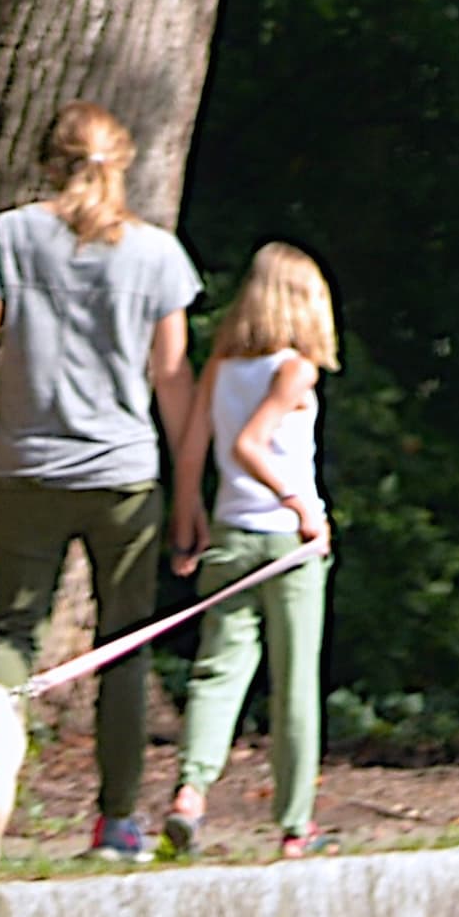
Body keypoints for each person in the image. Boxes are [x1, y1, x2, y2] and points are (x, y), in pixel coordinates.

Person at [0, 99, 203, 863]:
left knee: (11, 638)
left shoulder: (14, 235)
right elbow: (172, 377)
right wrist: (191, 489)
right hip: (125, 476)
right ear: (123, 163)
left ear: (47, 161)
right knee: (124, 648)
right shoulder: (159, 254)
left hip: (27, 468)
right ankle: (117, 825)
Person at [162, 241, 339, 861]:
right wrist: (302, 507)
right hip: (289, 543)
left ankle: (190, 791)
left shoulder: (222, 366)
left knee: (219, 671)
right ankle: (295, 826)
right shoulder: (297, 369)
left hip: (232, 533)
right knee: (294, 683)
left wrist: (189, 523)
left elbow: (192, 453)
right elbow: (250, 444)